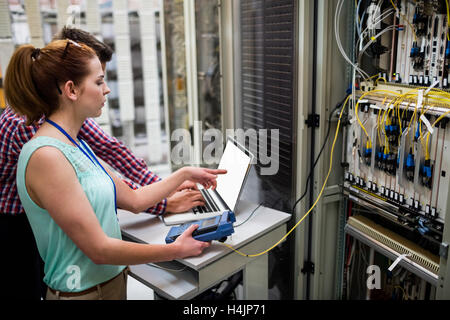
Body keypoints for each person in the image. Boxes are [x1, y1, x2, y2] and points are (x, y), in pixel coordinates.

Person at [4, 39, 226, 300]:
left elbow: (134, 199)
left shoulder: (77, 145)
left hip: (110, 285)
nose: (107, 90)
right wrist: (175, 250)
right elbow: (99, 249)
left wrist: (183, 174)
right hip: (82, 294)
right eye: (98, 82)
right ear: (71, 90)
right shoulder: (47, 156)